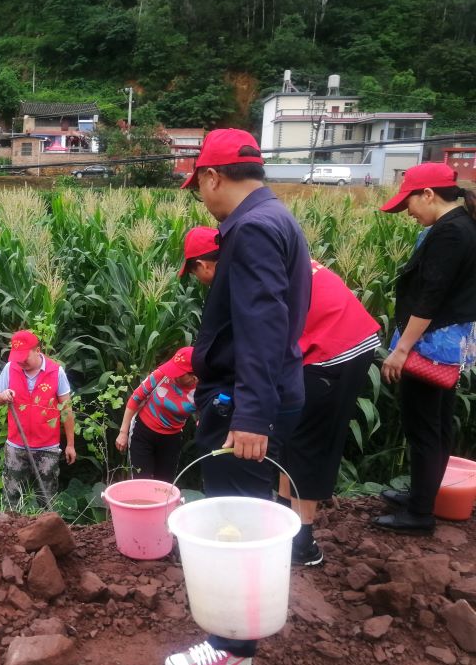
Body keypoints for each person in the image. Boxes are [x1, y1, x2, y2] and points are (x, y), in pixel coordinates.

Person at [165, 129, 311, 665]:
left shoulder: (250, 229)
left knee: (235, 518)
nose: (201, 196)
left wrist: (251, 415)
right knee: (243, 510)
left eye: (198, 184)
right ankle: (239, 635)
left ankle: (230, 645)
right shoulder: (275, 217)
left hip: (240, 403)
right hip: (259, 394)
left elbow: (262, 325)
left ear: (212, 176)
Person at [181, 226, 381, 566]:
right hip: (326, 340)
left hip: (337, 349)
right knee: (288, 439)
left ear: (204, 265)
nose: (200, 281)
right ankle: (284, 525)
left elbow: (257, 347)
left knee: (309, 444)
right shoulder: (259, 257)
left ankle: (300, 543)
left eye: (195, 273)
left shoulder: (247, 275)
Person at [375, 163, 476, 533]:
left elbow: (430, 298)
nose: (410, 213)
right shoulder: (462, 225)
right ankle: (423, 496)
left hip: (431, 344)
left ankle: (419, 514)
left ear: (429, 194)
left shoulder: (449, 233)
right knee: (437, 425)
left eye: (411, 203)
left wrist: (401, 349)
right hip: (449, 342)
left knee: (423, 428)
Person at [0, 330, 76, 509]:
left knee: (47, 500)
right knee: (11, 500)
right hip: (16, 446)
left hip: (47, 448)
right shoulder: (10, 368)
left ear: (38, 350)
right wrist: (3, 396)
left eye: (25, 357)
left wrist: (70, 444)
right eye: (17, 357)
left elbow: (67, 411)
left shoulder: (56, 372)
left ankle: (46, 534)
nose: (21, 362)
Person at [114, 347, 197, 482]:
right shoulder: (162, 375)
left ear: (194, 375)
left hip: (172, 438)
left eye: (180, 372)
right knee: (141, 482)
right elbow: (135, 398)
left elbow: (206, 415)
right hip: (143, 433)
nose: (173, 374)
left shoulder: (202, 390)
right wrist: (123, 432)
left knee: (163, 485)